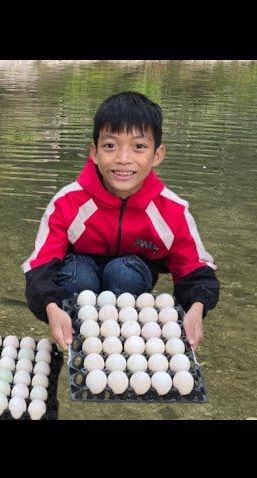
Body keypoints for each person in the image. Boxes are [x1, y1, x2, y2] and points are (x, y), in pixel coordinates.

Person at [22, 92, 219, 353]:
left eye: (138, 147)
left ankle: (120, 341)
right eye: (110, 146)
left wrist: (196, 308)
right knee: (78, 275)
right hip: (80, 278)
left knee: (124, 272)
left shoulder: (172, 210)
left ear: (157, 155)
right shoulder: (67, 202)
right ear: (94, 152)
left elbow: (195, 269)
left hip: (130, 280)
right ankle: (81, 335)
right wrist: (51, 307)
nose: (123, 159)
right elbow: (41, 266)